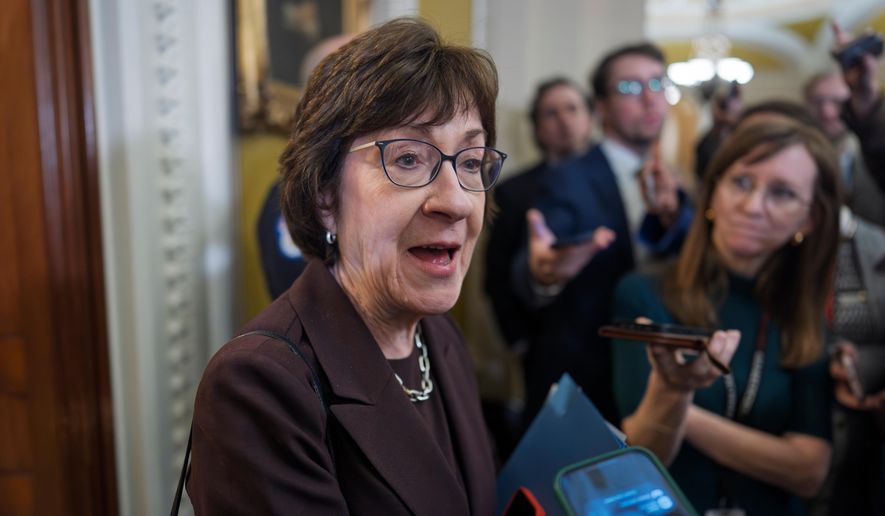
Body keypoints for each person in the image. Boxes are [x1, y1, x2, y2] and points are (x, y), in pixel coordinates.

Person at [187, 19, 502, 514]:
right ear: (325, 197)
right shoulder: (258, 385)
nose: (457, 203)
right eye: (407, 159)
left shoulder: (438, 337)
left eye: (469, 161)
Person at [612, 117, 841, 515]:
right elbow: (644, 456)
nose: (752, 207)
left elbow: (809, 470)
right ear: (713, 191)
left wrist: (679, 409)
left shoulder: (805, 314)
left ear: (809, 220)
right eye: (741, 182)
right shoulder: (644, 294)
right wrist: (675, 389)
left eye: (782, 193)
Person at [512, 42, 692, 427]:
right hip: (589, 379)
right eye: (629, 87)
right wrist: (545, 273)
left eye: (658, 84)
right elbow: (533, 262)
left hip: (662, 379)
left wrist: (671, 215)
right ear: (602, 107)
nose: (649, 98)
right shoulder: (568, 177)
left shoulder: (677, 181)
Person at [485, 77, 594, 354]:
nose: (564, 120)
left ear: (589, 118)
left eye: (572, 109)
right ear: (537, 128)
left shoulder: (610, 183)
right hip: (544, 342)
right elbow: (496, 273)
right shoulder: (513, 191)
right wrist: (517, 339)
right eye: (551, 113)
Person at [804, 70, 885, 226]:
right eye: (817, 102)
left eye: (837, 102)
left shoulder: (876, 151)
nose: (827, 113)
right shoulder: (795, 157)